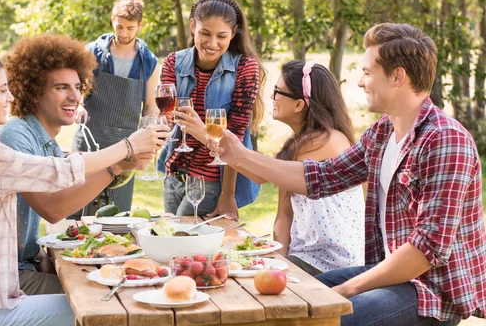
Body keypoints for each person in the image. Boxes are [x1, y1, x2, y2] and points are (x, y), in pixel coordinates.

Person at [208, 23, 485, 325]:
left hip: (431, 290)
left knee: (323, 316)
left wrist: (346, 291)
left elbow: (425, 251)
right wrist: (240, 155)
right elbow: (322, 177)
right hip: (391, 273)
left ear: (397, 76)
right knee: (288, 300)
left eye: (367, 72)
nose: (359, 83)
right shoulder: (383, 133)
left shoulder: (446, 141)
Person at [0, 52, 167, 326]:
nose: (11, 98)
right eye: (3, 90)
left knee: (102, 298)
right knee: (104, 310)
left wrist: (121, 162)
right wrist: (128, 146)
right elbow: (59, 174)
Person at [0, 34, 147, 295]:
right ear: (33, 92)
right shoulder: (14, 135)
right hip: (6, 278)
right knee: (103, 296)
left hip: (27, 265)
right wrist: (118, 162)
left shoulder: (47, 143)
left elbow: (62, 195)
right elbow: (54, 208)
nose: (75, 96)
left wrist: (121, 165)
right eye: (61, 87)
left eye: (78, 86)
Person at [158, 0, 266, 219]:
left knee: (182, 243)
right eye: (205, 33)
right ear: (192, 27)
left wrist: (228, 194)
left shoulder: (246, 68)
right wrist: (161, 123)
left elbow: (234, 138)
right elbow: (166, 117)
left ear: (233, 34)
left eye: (221, 36)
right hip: (174, 174)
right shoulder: (173, 62)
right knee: (171, 246)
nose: (212, 43)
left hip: (210, 181)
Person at [267, 60, 365, 275]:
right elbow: (284, 216)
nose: (271, 97)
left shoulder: (327, 140)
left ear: (298, 104)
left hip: (331, 262)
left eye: (277, 91)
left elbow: (259, 173)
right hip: (304, 256)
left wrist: (207, 135)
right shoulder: (299, 144)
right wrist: (279, 265)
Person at [71, 0, 160, 215]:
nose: (124, 33)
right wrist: (78, 105)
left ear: (140, 25)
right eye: (119, 26)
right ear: (112, 20)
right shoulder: (93, 52)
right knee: (77, 210)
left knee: (116, 216)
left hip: (125, 148)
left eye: (130, 28)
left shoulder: (148, 62)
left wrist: (146, 143)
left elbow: (149, 107)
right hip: (90, 142)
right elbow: (75, 89)